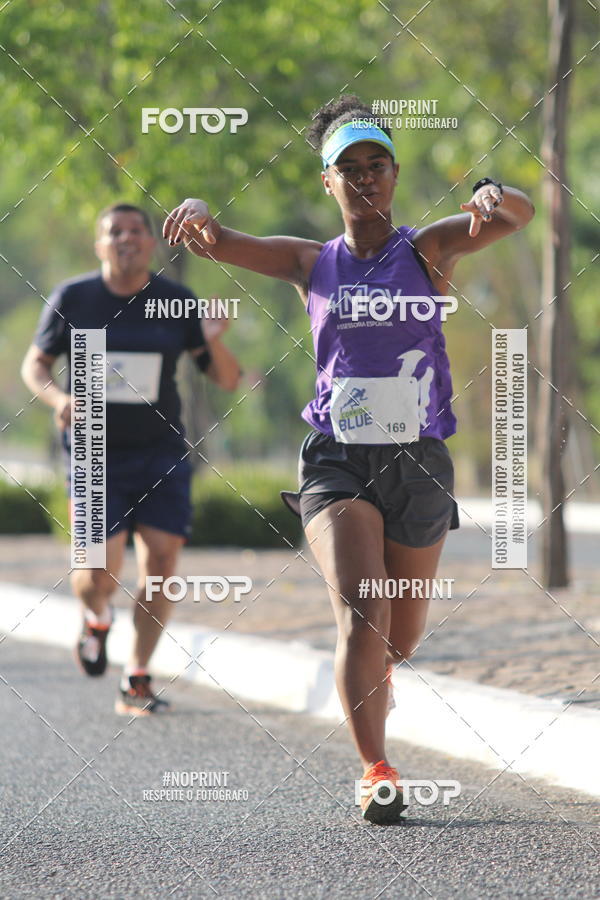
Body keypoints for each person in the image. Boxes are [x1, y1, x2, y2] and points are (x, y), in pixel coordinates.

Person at [162, 95, 534, 822]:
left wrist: (497, 192)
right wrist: (201, 209)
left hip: (419, 461)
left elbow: (517, 216)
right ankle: (376, 768)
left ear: (393, 174)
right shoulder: (312, 261)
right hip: (338, 461)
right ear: (326, 182)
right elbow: (219, 240)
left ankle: (376, 683)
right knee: (364, 616)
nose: (363, 179)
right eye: (347, 169)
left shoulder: (429, 249)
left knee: (400, 638)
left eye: (376, 165)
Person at [21, 203, 241, 716]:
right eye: (113, 232)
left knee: (162, 563)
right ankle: (96, 616)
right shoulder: (74, 298)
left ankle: (137, 677)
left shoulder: (176, 301)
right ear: (99, 245)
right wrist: (59, 400)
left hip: (161, 450)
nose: (126, 239)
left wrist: (215, 341)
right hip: (94, 447)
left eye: (136, 231)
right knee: (99, 571)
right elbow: (36, 365)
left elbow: (227, 378)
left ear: (151, 242)